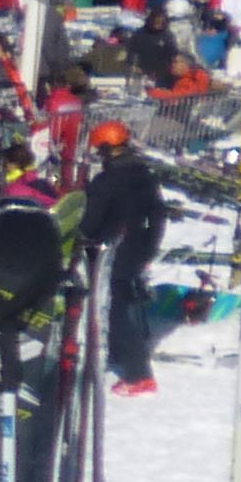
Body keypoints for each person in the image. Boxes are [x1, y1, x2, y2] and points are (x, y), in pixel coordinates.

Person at [78, 122, 169, 396]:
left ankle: (138, 374)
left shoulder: (107, 182)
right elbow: (158, 216)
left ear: (106, 149)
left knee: (115, 311)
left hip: (110, 252)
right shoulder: (146, 175)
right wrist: (148, 250)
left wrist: (79, 237)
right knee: (124, 305)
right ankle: (121, 356)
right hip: (137, 248)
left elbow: (90, 222)